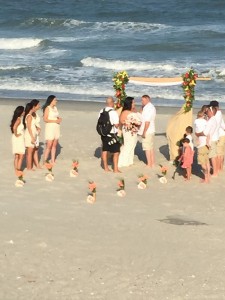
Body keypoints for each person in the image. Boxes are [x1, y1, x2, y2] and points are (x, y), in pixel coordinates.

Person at [98, 97, 120, 172]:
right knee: (116, 152)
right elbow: (116, 125)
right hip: (112, 134)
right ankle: (115, 169)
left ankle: (106, 168)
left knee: (105, 150)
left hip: (103, 133)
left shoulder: (101, 111)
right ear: (111, 103)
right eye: (113, 102)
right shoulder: (113, 112)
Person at [118, 97, 141, 168]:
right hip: (128, 131)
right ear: (129, 103)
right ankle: (122, 162)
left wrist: (135, 123)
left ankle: (129, 161)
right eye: (133, 102)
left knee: (133, 145)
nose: (134, 103)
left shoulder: (133, 111)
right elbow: (121, 121)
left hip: (133, 131)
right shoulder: (125, 112)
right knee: (128, 145)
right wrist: (129, 123)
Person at [196, 106, 218, 177]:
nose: (206, 112)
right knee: (208, 160)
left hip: (207, 142)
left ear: (211, 112)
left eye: (208, 111)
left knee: (205, 160)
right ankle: (208, 175)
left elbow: (205, 133)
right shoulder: (213, 119)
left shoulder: (211, 120)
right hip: (210, 140)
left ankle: (208, 176)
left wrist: (197, 134)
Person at [42, 95, 62, 164]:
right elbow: (45, 119)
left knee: (54, 145)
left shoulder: (55, 108)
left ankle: (53, 160)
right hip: (50, 127)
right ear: (51, 100)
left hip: (56, 127)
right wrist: (55, 121)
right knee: (49, 145)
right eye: (55, 100)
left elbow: (57, 116)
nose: (56, 101)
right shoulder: (48, 108)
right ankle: (45, 161)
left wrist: (59, 119)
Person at [138, 94, 156, 167]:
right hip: (151, 129)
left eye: (143, 100)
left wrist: (144, 132)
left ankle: (149, 164)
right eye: (142, 100)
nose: (142, 102)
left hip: (148, 130)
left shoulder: (149, 108)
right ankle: (152, 163)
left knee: (147, 148)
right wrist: (142, 107)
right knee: (150, 147)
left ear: (147, 100)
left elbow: (147, 122)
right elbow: (141, 114)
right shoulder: (148, 107)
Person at [209, 101, 225, 172]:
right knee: (221, 153)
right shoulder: (219, 113)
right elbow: (222, 125)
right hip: (222, 134)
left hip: (219, 135)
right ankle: (220, 167)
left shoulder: (215, 114)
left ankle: (218, 168)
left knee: (218, 153)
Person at [10, 106, 25, 172]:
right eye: (23, 111)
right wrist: (16, 134)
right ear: (20, 112)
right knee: (21, 154)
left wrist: (15, 134)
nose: (24, 112)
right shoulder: (19, 119)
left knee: (17, 155)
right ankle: (18, 169)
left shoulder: (16, 118)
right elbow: (14, 127)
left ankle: (16, 169)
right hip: (18, 138)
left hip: (16, 138)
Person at [23, 102, 37, 170]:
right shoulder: (29, 116)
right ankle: (29, 167)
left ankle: (29, 166)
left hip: (31, 134)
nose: (35, 108)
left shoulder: (30, 116)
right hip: (29, 135)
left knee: (29, 152)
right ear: (31, 108)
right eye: (34, 107)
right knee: (29, 152)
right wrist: (32, 137)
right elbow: (28, 127)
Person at [30, 99, 42, 169]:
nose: (39, 106)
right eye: (38, 105)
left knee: (36, 148)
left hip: (36, 133)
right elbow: (30, 123)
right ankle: (32, 164)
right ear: (34, 106)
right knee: (32, 148)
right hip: (32, 132)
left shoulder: (36, 114)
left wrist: (38, 129)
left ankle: (37, 164)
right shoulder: (30, 113)